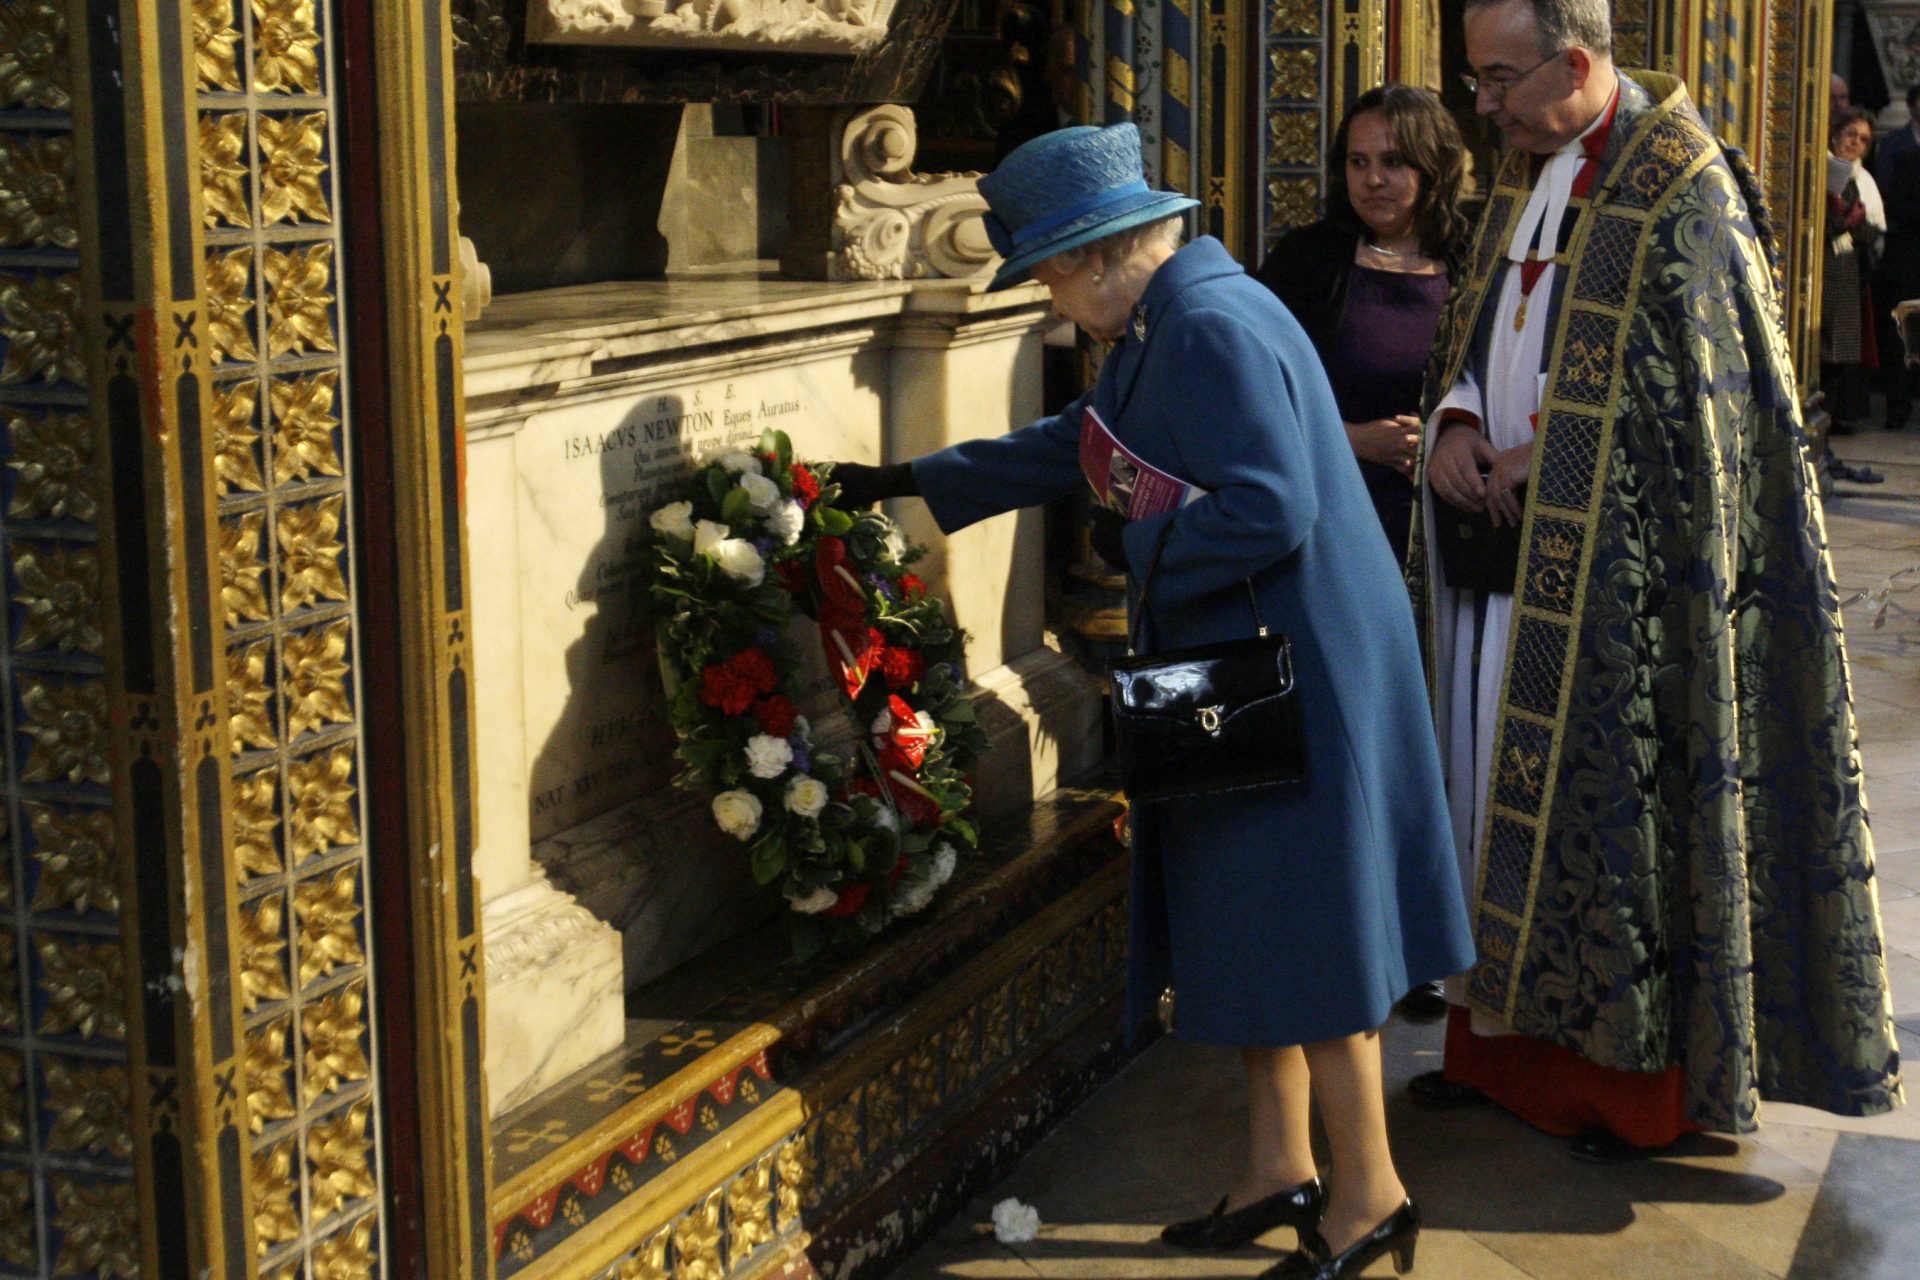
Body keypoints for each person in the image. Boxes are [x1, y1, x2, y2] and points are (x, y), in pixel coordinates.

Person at [835, 123, 1475, 1280]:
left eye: (1042, 275)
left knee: (1312, 923)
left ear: (1095, 258)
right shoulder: (1179, 312)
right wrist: (914, 482)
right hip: (1260, 659)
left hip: (1286, 670)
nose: (1043, 298)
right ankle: (1281, 1165)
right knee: (1257, 911)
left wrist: (1136, 541)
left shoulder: (1210, 328)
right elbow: (1086, 441)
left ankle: (1369, 1194)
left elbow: (1269, 506)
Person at [1409, 0, 1903, 1160]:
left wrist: (1553, 454)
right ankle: (1495, 1051)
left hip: (1621, 594)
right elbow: (1477, 335)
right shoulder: (1513, 172)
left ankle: (1620, 1087)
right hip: (1496, 564)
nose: (1482, 104)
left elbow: (1711, 414)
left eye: (1498, 79)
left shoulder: (1685, 186)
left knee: (1614, 819)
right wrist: (1457, 421)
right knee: (1485, 790)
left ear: (1574, 65)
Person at [1255, 84, 1471, 1025]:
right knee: (1356, 739)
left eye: (1394, 160)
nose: (1374, 180)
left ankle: (1427, 942)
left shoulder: (1479, 260)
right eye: (1357, 160)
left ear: (1432, 164)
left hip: (1452, 537)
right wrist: (1358, 442)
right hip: (1341, 525)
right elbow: (1253, 390)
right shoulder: (1307, 262)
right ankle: (1356, 936)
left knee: (1438, 736)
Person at [1822, 107, 1885, 433]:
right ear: (1836, 133)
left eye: (1863, 140)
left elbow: (1874, 231)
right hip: (1819, 265)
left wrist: (1850, 223)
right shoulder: (1821, 168)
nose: (1856, 143)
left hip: (1847, 271)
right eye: (1851, 134)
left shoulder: (1863, 180)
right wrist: (1842, 219)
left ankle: (1830, 420)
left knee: (1839, 354)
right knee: (1817, 349)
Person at [1876, 81, 1920, 429]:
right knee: (1900, 336)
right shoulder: (1899, 151)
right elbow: (1892, 202)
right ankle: (1898, 405)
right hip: (1906, 256)